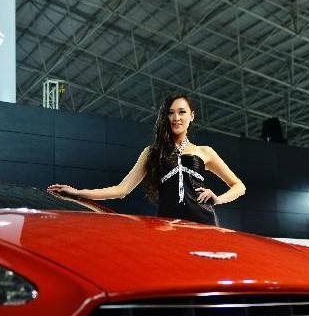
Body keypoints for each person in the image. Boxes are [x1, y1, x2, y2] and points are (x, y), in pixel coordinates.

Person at [48, 94, 245, 226]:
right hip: (168, 226)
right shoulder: (152, 152)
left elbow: (239, 186)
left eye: (182, 112)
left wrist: (218, 199)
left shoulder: (205, 151)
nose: (176, 117)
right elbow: (121, 190)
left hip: (204, 221)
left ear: (192, 116)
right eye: (170, 112)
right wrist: (77, 193)